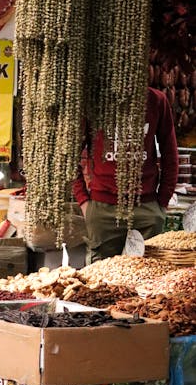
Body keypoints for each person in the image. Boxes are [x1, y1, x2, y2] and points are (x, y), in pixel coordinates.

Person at [72, 87, 179, 262]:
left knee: (149, 277)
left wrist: (162, 201)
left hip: (146, 207)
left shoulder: (156, 100)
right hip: (102, 209)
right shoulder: (93, 100)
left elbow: (170, 153)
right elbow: (69, 154)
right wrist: (84, 201)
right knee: (99, 281)